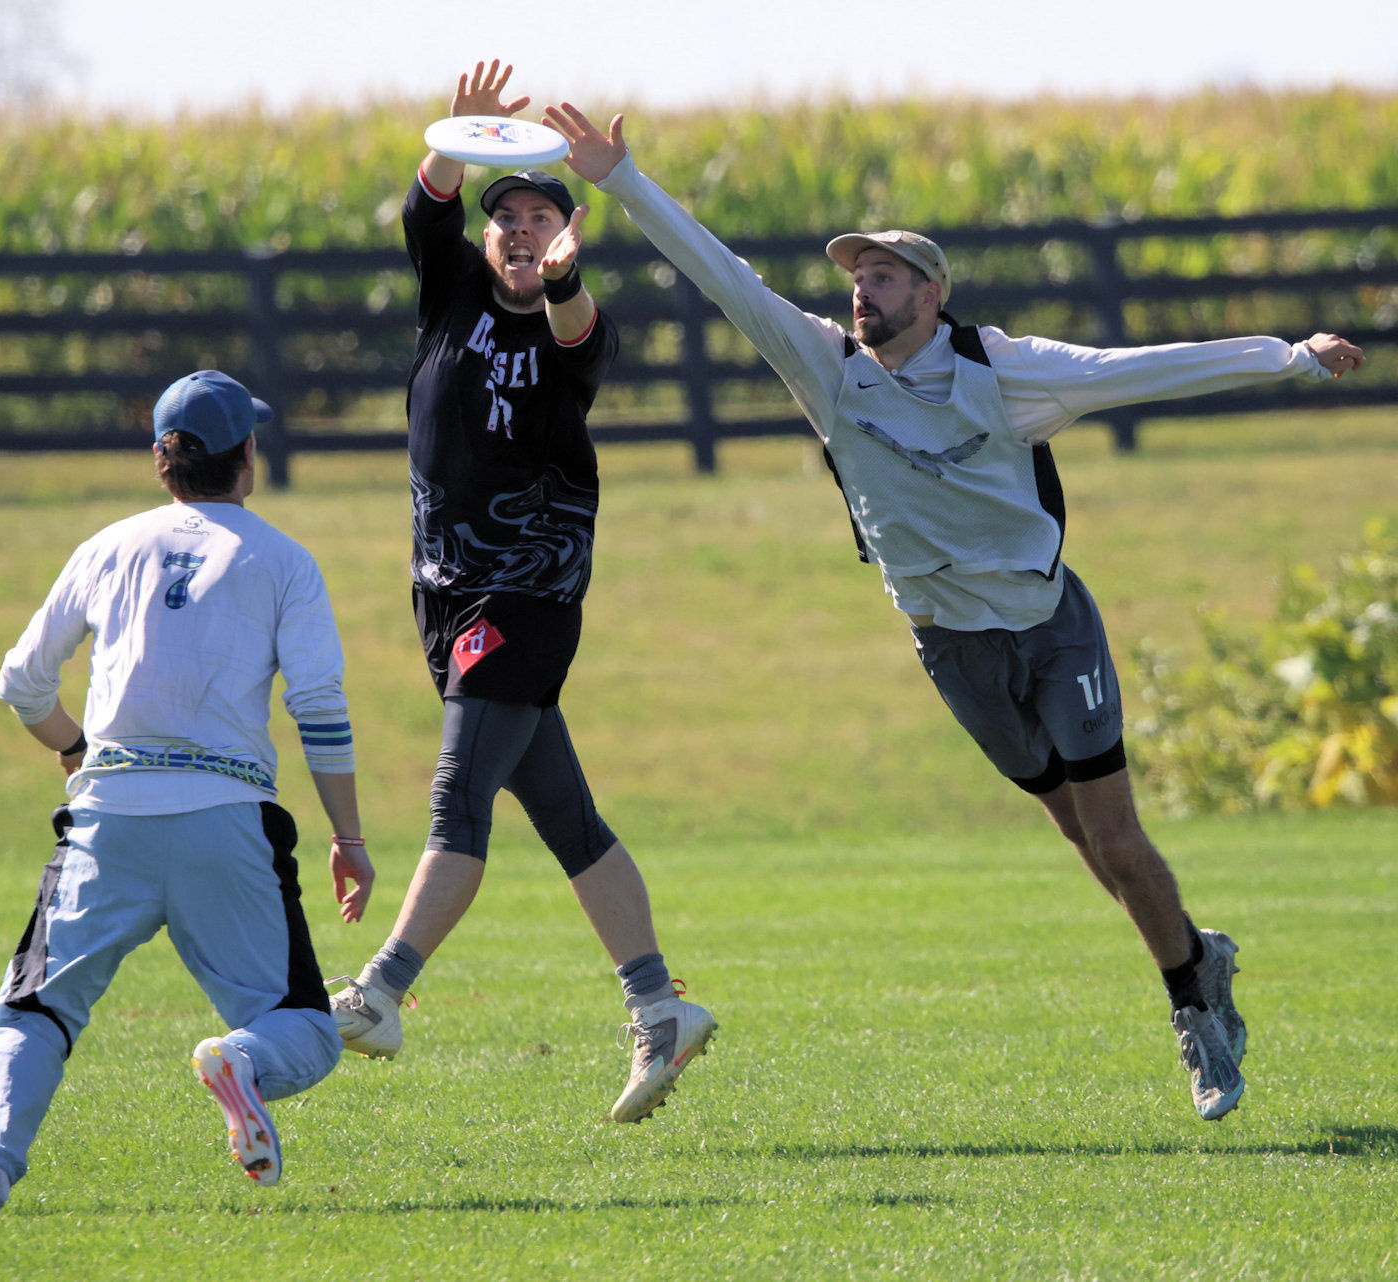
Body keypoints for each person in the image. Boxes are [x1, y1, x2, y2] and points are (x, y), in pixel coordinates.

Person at [541, 101, 1367, 1123]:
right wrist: (622, 181)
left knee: (1115, 839)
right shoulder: (828, 369)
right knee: (1079, 837)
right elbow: (724, 277)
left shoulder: (1003, 369)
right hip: (950, 648)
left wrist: (1290, 355)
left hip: (1051, 627)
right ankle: (1199, 952)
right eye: (856, 276)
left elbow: (1140, 371)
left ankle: (1192, 1006)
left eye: (885, 276)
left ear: (932, 294)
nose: (862, 289)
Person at [327, 61, 715, 1125]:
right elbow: (426, 209)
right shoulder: (449, 292)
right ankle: (660, 1008)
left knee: (458, 802)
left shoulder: (573, 321)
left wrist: (563, 281)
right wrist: (458, 139)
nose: (518, 230)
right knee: (568, 819)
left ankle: (381, 993)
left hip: (527, 593)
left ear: (568, 233)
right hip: (446, 596)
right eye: (507, 217)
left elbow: (577, 330)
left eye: (540, 217)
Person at [0, 370, 375, 1219]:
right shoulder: (283, 560)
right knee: (306, 1030)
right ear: (247, 453)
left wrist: (73, 748)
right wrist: (347, 837)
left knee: (33, 1010)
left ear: (162, 461)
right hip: (227, 822)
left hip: (108, 821)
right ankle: (241, 1061)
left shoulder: (107, 546)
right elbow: (319, 706)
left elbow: (21, 682)